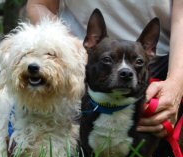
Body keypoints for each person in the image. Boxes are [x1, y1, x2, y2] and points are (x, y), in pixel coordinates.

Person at [26, 0, 183, 138]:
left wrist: (175, 84)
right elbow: (39, 5)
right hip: (82, 58)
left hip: (157, 65)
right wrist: (72, 53)